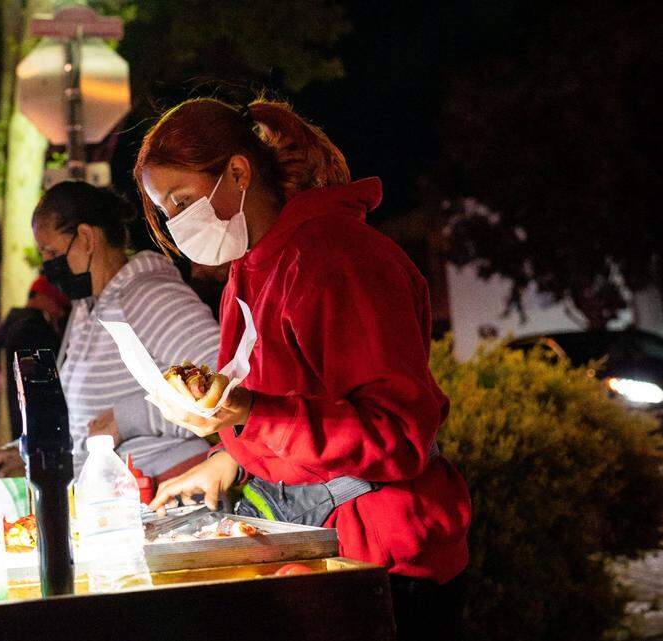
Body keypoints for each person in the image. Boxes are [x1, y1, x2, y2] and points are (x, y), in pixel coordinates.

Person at [134, 97, 471, 641]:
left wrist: (247, 413)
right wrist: (230, 457)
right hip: (313, 547)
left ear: (238, 173)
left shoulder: (338, 259)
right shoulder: (249, 270)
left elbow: (397, 435)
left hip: (384, 563)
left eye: (181, 201)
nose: (176, 225)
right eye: (166, 212)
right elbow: (288, 404)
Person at [0, 182, 221, 479]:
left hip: (167, 486)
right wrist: (28, 451)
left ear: (86, 237)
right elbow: (81, 425)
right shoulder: (89, 307)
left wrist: (127, 418)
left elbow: (220, 383)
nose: (47, 265)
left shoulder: (149, 295)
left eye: (51, 251)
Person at [0, 276, 70, 440]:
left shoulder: (17, 324)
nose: (61, 311)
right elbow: (45, 379)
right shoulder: (33, 328)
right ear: (42, 297)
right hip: (40, 428)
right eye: (57, 303)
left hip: (23, 423)